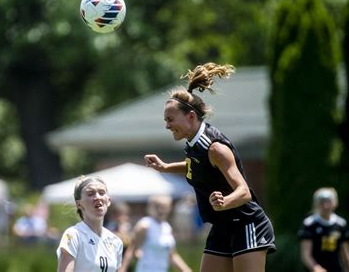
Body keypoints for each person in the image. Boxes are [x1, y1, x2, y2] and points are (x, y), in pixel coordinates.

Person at [144, 62, 276, 272]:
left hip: (246, 223)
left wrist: (225, 202)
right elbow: (195, 167)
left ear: (191, 116)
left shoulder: (215, 148)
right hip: (222, 225)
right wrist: (165, 167)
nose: (167, 125)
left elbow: (244, 192)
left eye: (170, 119)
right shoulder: (193, 145)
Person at [57, 175, 124, 272]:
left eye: (101, 193)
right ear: (78, 204)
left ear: (108, 201)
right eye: (90, 194)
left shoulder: (116, 241)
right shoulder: (73, 235)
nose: (97, 197)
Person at [120, 195, 192, 272]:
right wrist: (122, 269)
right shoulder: (144, 225)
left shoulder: (167, 227)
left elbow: (172, 255)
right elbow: (132, 249)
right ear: (150, 208)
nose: (161, 210)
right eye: (157, 206)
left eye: (165, 207)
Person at [298, 187, 349, 272]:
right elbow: (306, 255)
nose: (326, 205)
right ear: (317, 204)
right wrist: (317, 269)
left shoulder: (340, 224)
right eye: (322, 202)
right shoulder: (309, 224)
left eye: (328, 201)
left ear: (335, 203)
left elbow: (346, 254)